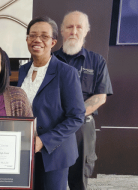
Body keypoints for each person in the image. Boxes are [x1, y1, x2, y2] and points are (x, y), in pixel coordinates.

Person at [17, 16, 86, 190]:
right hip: (25, 150)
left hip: (55, 152)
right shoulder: (23, 70)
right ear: (26, 39)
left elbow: (77, 117)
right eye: (32, 35)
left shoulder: (66, 73)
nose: (37, 40)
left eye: (44, 36)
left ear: (53, 42)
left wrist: (44, 140)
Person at [54, 11, 113, 190]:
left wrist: (72, 116)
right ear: (62, 31)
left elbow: (100, 96)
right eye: (69, 27)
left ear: (86, 31)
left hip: (82, 127)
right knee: (50, 175)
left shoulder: (97, 61)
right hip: (53, 125)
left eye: (79, 27)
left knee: (79, 177)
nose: (74, 31)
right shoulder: (50, 59)